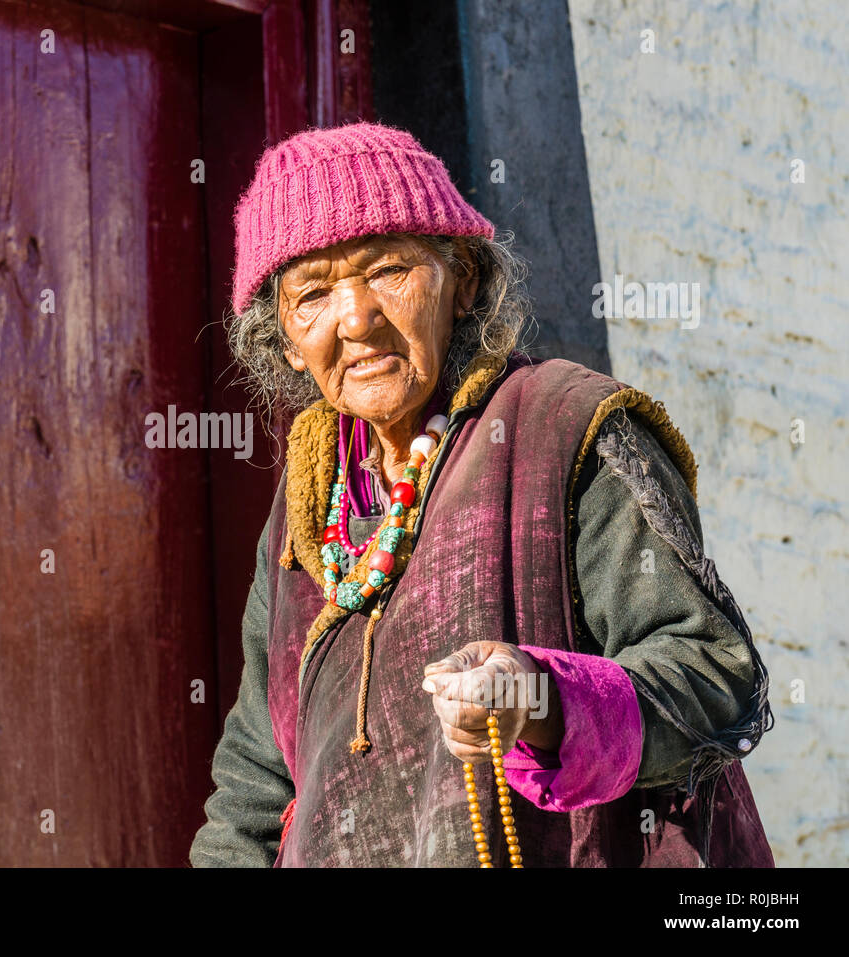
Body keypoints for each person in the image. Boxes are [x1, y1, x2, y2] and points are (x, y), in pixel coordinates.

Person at [190, 122, 774, 867]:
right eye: (312, 293)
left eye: (389, 271)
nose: (356, 317)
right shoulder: (309, 501)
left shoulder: (570, 427)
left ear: (463, 280)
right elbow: (256, 782)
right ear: (284, 334)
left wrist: (540, 696)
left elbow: (716, 676)